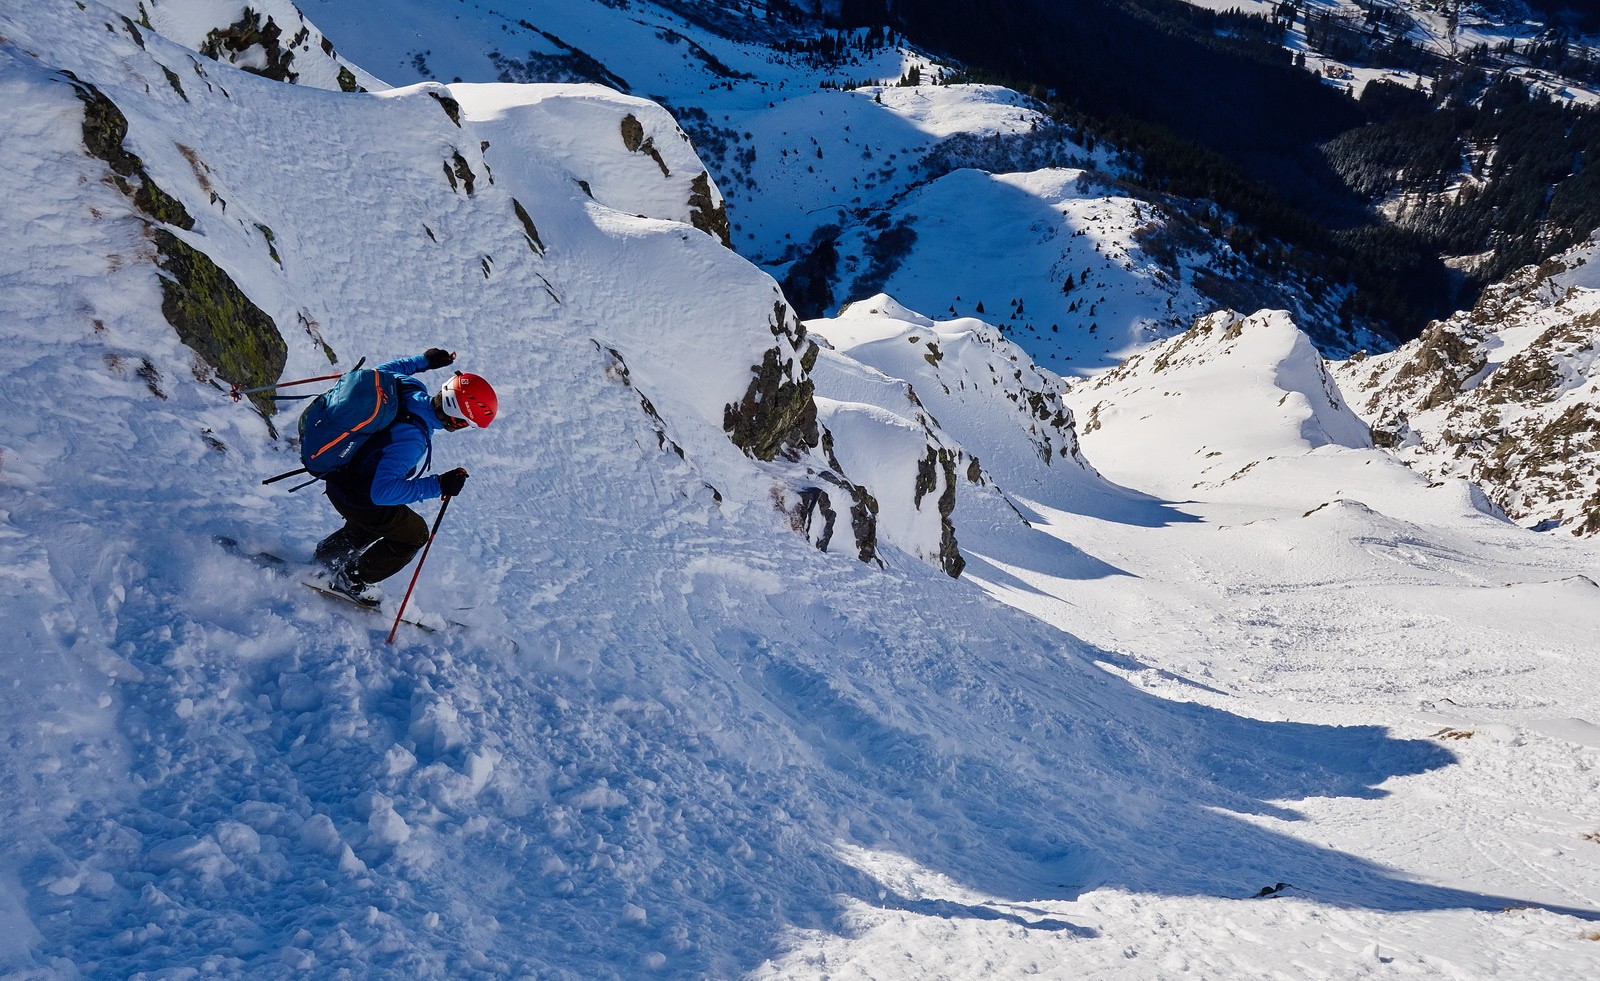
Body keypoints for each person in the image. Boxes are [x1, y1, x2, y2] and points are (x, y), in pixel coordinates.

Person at [313, 348, 498, 605]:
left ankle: (329, 555)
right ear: (455, 420)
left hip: (339, 477)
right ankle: (352, 578)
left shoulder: (408, 387)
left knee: (385, 518)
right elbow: (382, 492)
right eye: (466, 422)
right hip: (355, 495)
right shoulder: (412, 439)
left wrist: (423, 361)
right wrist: (438, 484)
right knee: (414, 533)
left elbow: (379, 373)